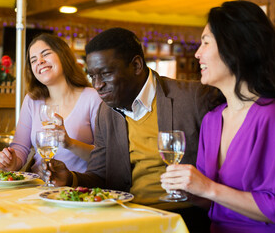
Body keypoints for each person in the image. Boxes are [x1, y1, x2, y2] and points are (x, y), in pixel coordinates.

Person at [44, 27, 217, 232]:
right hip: (125, 213)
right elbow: (100, 175)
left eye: (106, 73)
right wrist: (70, 178)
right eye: (92, 76)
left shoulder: (193, 98)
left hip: (182, 215)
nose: (97, 85)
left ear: (136, 65)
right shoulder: (105, 112)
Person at [160, 0, 275, 233]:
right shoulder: (211, 120)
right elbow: (212, 201)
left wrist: (207, 187)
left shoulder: (274, 117)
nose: (197, 54)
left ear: (235, 48)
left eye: (205, 42)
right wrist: (190, 190)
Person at [0, 33, 101, 173]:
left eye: (45, 54)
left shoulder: (92, 98)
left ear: (63, 55)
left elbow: (104, 157)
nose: (40, 61)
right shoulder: (32, 101)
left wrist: (70, 143)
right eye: (33, 60)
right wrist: (11, 161)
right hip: (37, 186)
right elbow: (20, 148)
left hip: (76, 189)